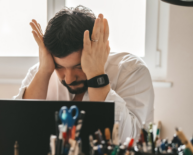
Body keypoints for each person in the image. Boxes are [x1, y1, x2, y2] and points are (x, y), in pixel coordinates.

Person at [13, 6, 154, 143]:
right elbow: (16, 132)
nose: (68, 79)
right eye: (59, 66)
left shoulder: (132, 71)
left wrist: (96, 75)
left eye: (79, 66)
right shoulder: (42, 71)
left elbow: (127, 140)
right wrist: (44, 72)